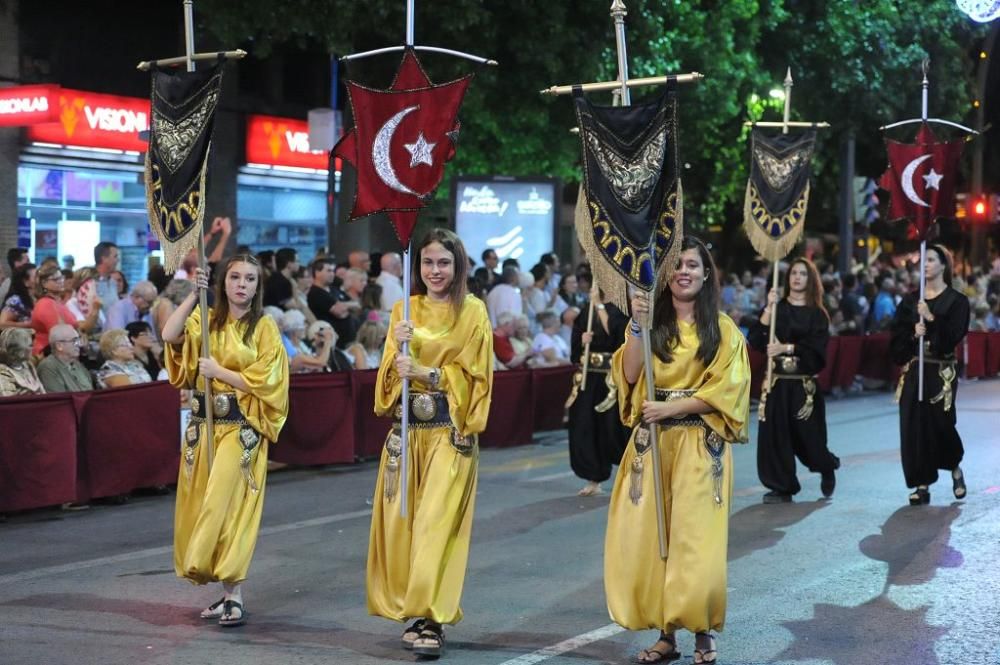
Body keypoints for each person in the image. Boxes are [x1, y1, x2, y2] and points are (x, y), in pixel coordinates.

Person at [606, 237, 750, 665]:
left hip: (700, 446)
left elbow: (728, 390)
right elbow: (629, 375)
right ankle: (666, 635)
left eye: (693, 265)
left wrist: (673, 406)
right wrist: (635, 325)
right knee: (657, 538)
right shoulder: (650, 324)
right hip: (653, 444)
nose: (684, 271)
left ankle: (703, 634)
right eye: (677, 265)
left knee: (696, 542)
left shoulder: (722, 329)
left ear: (707, 275)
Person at [368, 228, 493, 658]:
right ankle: (415, 612)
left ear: (458, 266)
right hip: (407, 435)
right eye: (427, 263)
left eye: (443, 262)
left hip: (451, 432)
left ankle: (432, 619)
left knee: (435, 525)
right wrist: (396, 359)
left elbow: (478, 376)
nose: (435, 270)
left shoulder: (473, 311)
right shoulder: (405, 307)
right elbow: (386, 384)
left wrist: (425, 372)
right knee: (403, 525)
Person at [161, 254, 289, 628]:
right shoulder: (206, 317)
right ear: (224, 282)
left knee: (227, 504)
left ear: (257, 286)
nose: (242, 285)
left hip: (242, 427)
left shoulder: (264, 326)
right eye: (235, 277)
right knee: (203, 503)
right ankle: (226, 593)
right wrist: (192, 294)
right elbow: (170, 335)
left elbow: (272, 384)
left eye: (250, 279)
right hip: (203, 428)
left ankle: (234, 594)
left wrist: (221, 372)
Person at [749, 258, 840, 503]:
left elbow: (817, 351)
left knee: (808, 437)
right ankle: (782, 486)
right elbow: (757, 340)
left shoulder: (817, 314)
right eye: (793, 273)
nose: (797, 277)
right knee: (775, 436)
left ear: (811, 280)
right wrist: (768, 308)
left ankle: (826, 465)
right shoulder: (777, 309)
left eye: (802, 274)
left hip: (802, 386)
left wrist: (786, 348)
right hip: (777, 383)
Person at [889, 244, 970, 506]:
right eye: (923, 260)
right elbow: (896, 344)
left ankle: (954, 466)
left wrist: (931, 318)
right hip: (915, 370)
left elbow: (952, 338)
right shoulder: (910, 301)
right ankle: (921, 483)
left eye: (932, 259)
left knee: (941, 424)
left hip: (941, 371)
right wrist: (914, 333)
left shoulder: (957, 301)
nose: (926, 264)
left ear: (943, 265)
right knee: (913, 426)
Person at [567, 287, 629, 496]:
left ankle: (629, 474)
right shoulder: (587, 310)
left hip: (613, 378)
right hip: (589, 376)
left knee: (613, 428)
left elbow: (616, 334)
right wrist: (581, 340)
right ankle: (593, 478)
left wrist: (600, 306)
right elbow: (576, 343)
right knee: (587, 426)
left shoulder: (623, 310)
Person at [307, 257, 362, 349]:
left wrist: (344, 306)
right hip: (335, 344)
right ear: (317, 272)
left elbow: (357, 305)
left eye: (333, 271)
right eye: (328, 271)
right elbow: (339, 312)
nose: (332, 274)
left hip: (351, 340)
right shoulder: (316, 293)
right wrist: (348, 306)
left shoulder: (334, 289)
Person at [30, 264, 77, 356]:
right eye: (56, 279)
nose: (61, 281)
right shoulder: (46, 304)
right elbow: (60, 336)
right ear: (44, 283)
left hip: (63, 352)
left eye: (61, 278)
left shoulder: (57, 302)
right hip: (49, 355)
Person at [36, 324, 94, 393]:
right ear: (59, 346)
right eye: (74, 341)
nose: (79, 344)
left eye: (78, 340)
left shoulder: (77, 364)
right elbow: (59, 400)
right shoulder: (48, 367)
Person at [279, 308, 333, 373]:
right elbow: (320, 363)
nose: (306, 326)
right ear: (295, 331)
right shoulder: (292, 353)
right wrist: (328, 340)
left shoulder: (301, 345)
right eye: (303, 324)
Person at [0, 328, 45, 396]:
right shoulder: (3, 372)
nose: (33, 348)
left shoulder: (29, 365)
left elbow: (43, 393)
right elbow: (7, 401)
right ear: (19, 350)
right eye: (30, 345)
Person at [0, 263, 37, 330]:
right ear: (26, 282)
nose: (41, 280)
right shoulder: (16, 301)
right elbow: (2, 324)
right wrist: (28, 324)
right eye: (36, 277)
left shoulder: (40, 297)